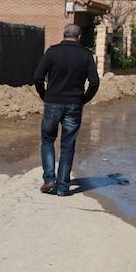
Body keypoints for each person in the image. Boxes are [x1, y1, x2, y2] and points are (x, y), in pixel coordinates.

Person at [33, 24, 100, 197]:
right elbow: (94, 82)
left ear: (64, 35)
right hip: (74, 105)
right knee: (67, 145)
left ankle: (49, 179)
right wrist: (83, 99)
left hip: (52, 103)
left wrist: (44, 95)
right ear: (79, 37)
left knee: (47, 140)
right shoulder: (85, 55)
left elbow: (37, 77)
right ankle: (63, 187)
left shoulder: (52, 52)